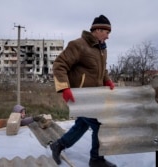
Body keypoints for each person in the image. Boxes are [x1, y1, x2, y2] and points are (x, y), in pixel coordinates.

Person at [50, 15, 116, 167]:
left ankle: (58, 145)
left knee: (82, 124)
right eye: (107, 32)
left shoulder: (101, 49)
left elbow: (101, 69)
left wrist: (107, 80)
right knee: (100, 126)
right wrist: (64, 88)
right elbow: (59, 65)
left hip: (95, 96)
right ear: (98, 30)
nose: (108, 36)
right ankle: (96, 160)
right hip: (79, 96)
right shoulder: (78, 45)